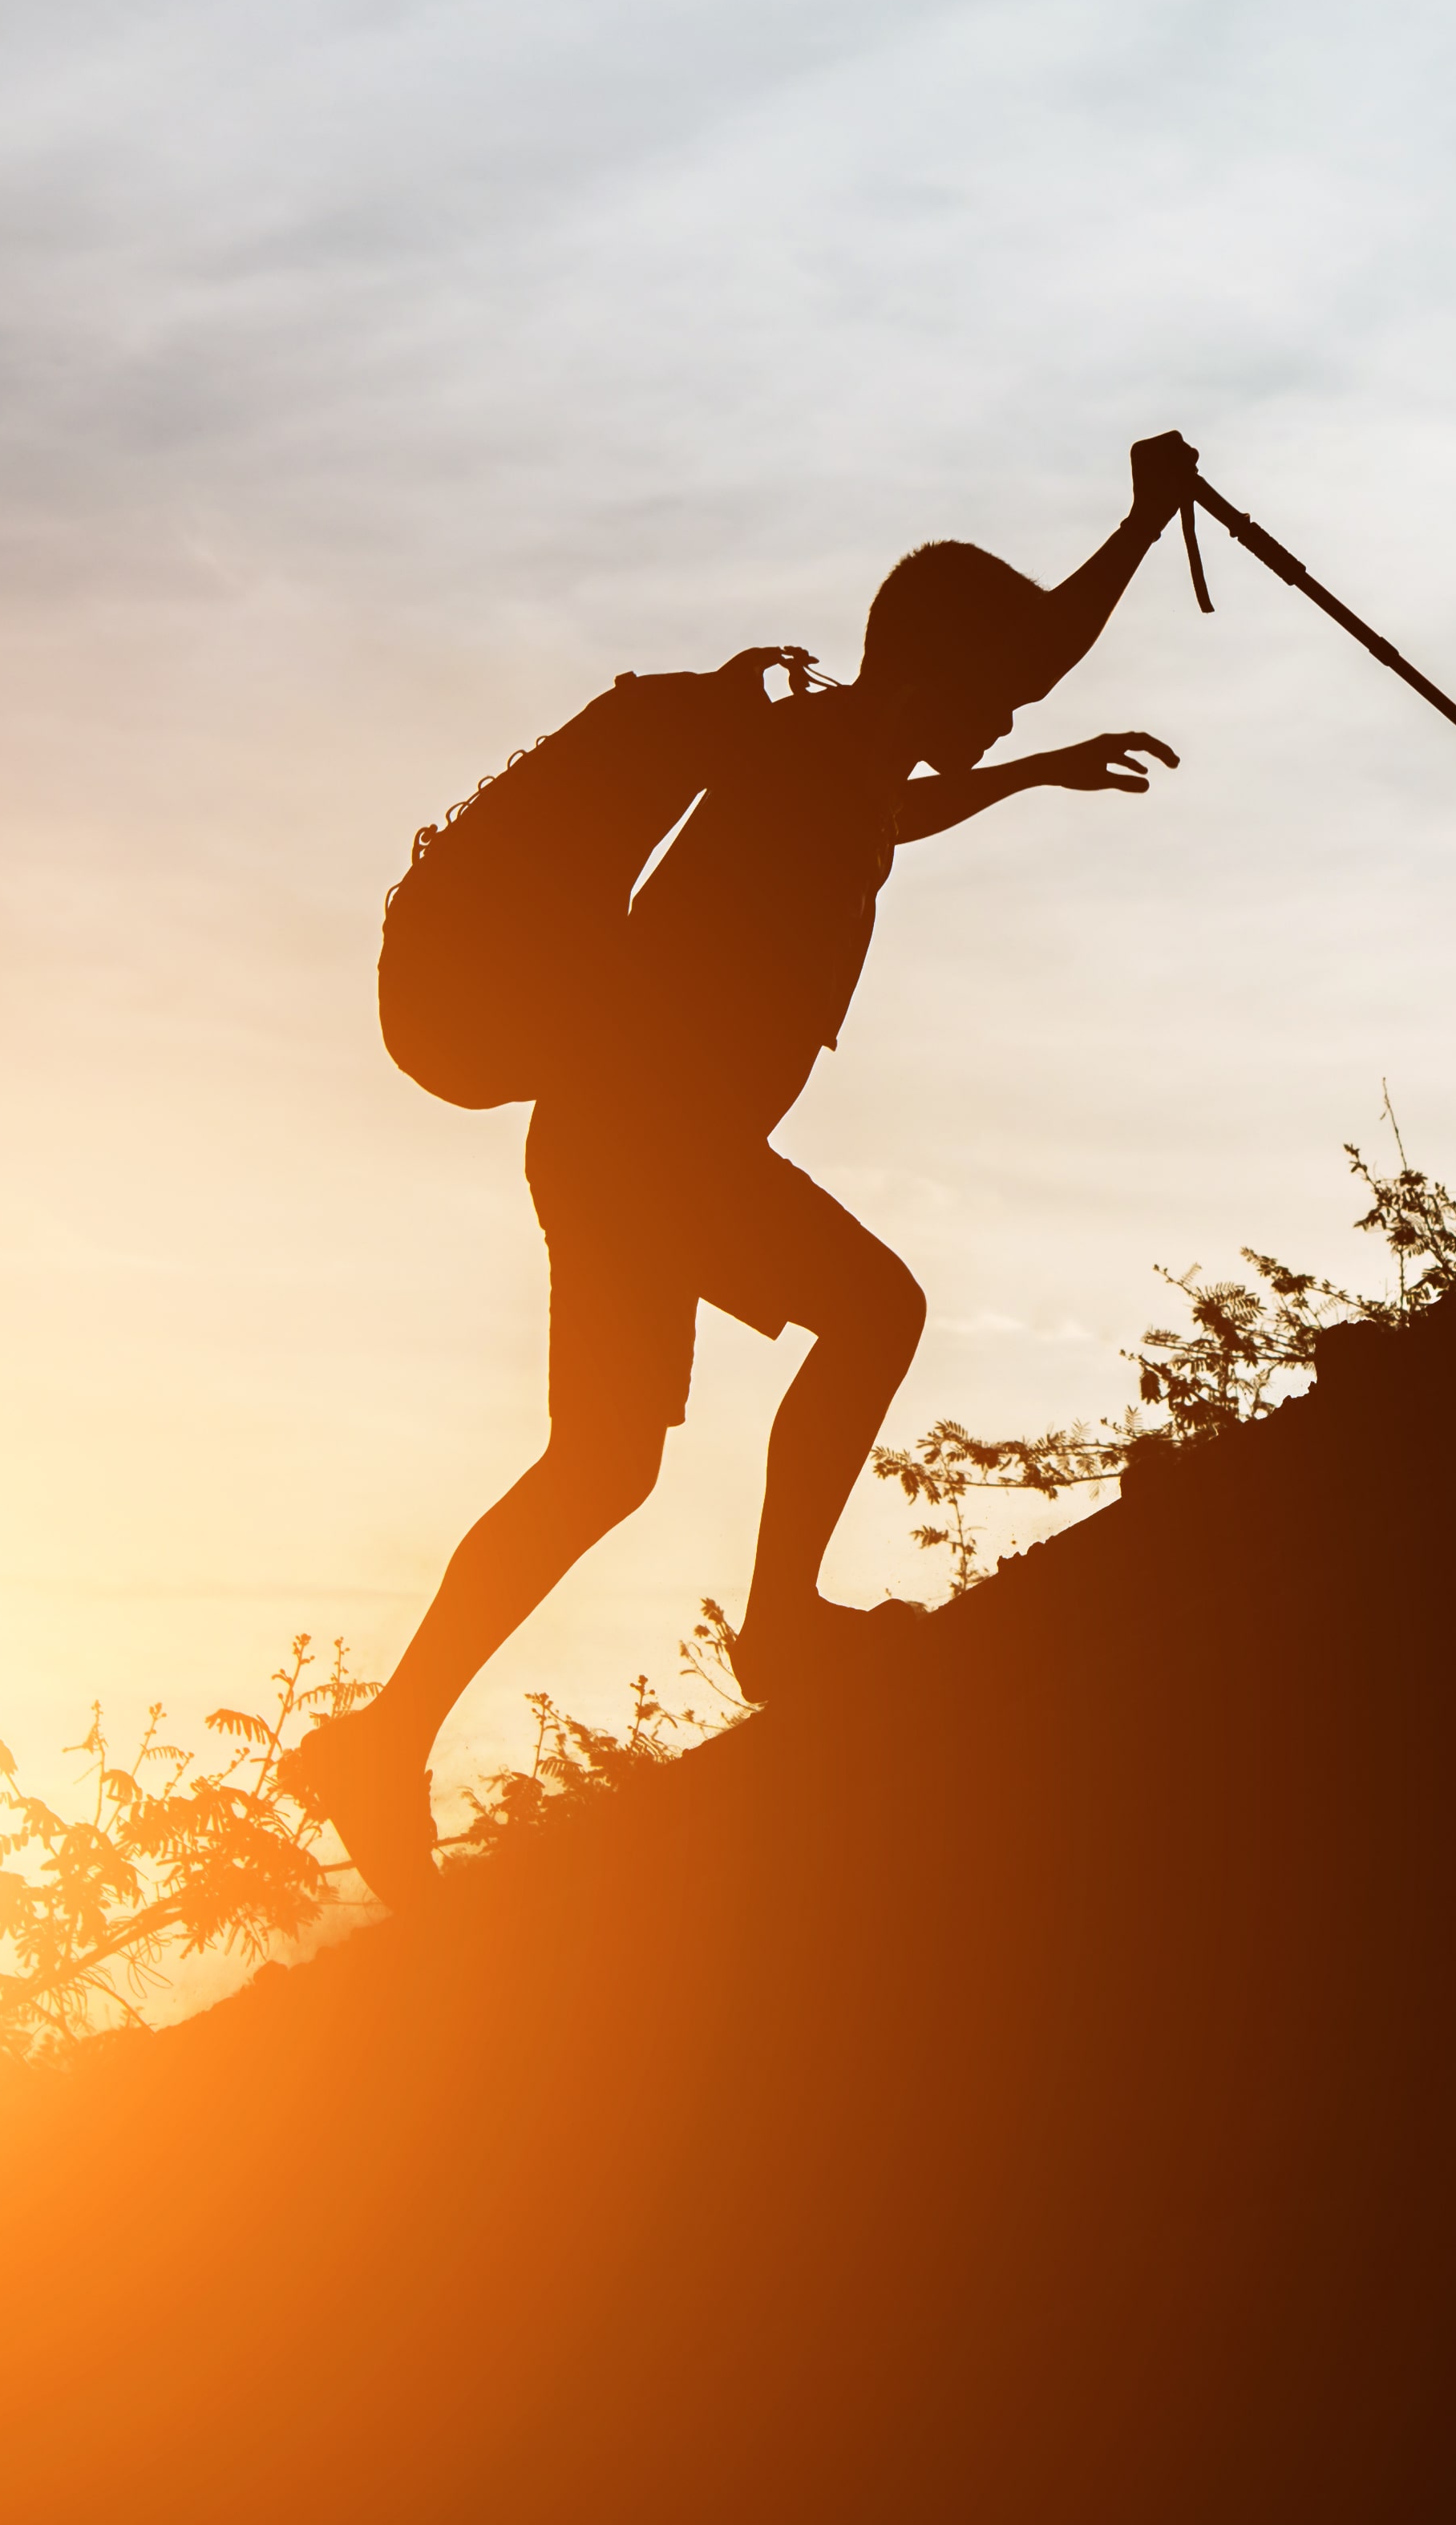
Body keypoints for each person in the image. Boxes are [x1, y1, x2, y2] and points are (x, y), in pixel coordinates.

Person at [293, 431, 1203, 1901]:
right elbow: (1016, 665)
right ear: (926, 679)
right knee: (873, 1314)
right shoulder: (810, 755)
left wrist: (1034, 765)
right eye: (990, 696)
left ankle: (381, 1740)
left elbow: (937, 759)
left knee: (601, 1464)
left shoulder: (837, 761)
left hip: (616, 1140)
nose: (1014, 704)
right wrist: (1145, 518)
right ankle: (779, 1629)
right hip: (647, 1139)